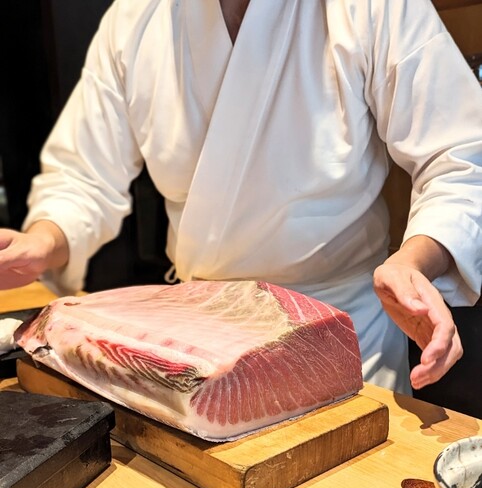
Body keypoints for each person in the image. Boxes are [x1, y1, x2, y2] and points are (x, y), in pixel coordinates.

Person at [0, 0, 481, 396]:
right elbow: (83, 176)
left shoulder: (373, 7)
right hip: (193, 344)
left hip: (340, 335)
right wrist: (44, 239)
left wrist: (414, 261)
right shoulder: (136, 17)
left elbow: (461, 157)